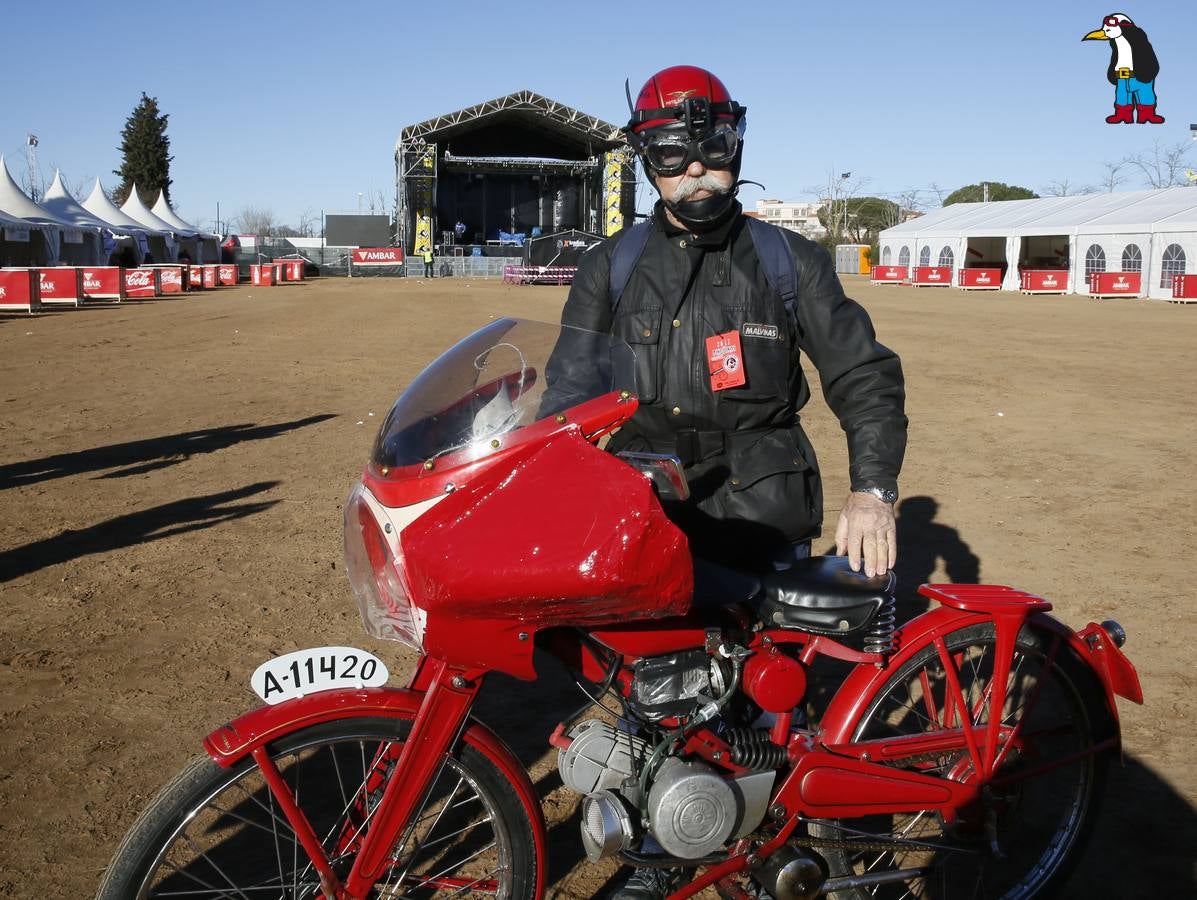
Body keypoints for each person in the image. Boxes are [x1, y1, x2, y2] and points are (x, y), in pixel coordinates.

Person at [556, 63, 908, 900]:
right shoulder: (610, 266)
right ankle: (659, 849)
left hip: (762, 501)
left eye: (710, 150)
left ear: (734, 142)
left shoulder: (789, 263)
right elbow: (566, 395)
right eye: (672, 158)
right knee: (653, 690)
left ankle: (760, 846)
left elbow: (863, 374)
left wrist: (873, 489)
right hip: (647, 508)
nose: (694, 172)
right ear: (648, 161)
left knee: (757, 697)